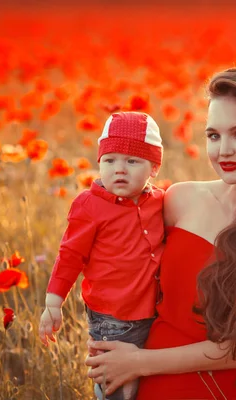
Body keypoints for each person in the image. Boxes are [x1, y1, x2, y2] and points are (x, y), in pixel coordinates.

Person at [85, 66, 236, 399]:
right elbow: (131, 277)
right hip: (141, 384)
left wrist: (140, 362)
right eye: (213, 135)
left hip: (216, 390)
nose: (223, 150)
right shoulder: (181, 199)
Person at [38, 112, 165, 400]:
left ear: (154, 167)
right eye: (110, 161)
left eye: (132, 161)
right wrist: (53, 303)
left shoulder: (159, 201)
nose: (119, 169)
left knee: (147, 382)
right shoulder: (89, 205)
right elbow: (69, 255)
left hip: (154, 312)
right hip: (112, 318)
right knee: (117, 387)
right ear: (99, 163)